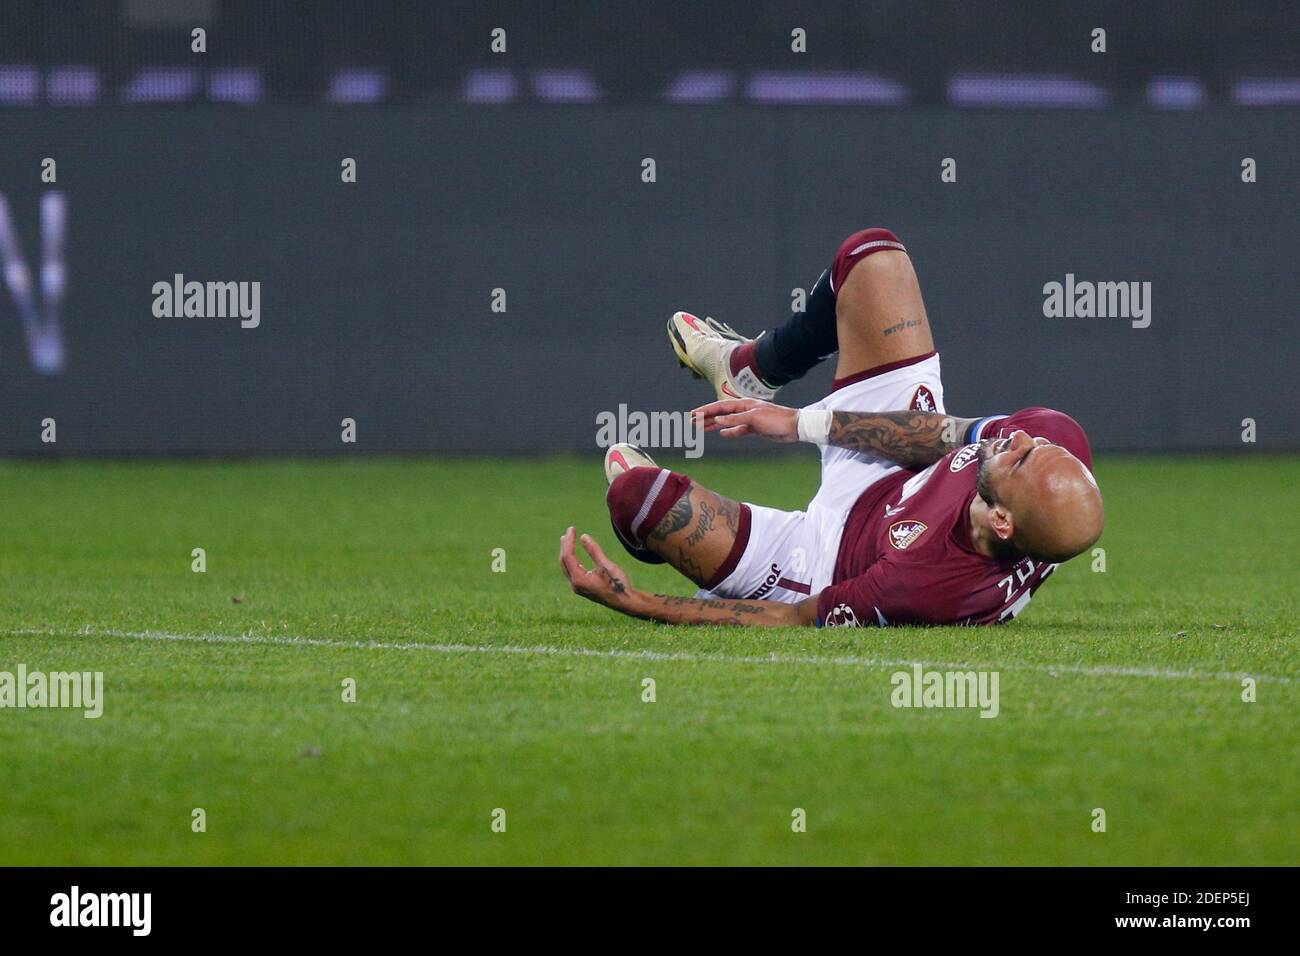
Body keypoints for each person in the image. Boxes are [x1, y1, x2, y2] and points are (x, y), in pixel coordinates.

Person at [560, 227, 1104, 627]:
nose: (1025, 438)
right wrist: (800, 423)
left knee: (638, 500)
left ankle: (651, 530)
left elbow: (793, 619)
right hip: (904, 470)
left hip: (824, 556)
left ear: (1003, 522)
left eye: (1024, 456)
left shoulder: (930, 585)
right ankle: (749, 369)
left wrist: (633, 601)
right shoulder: (1056, 446)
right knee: (873, 257)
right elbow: (943, 435)